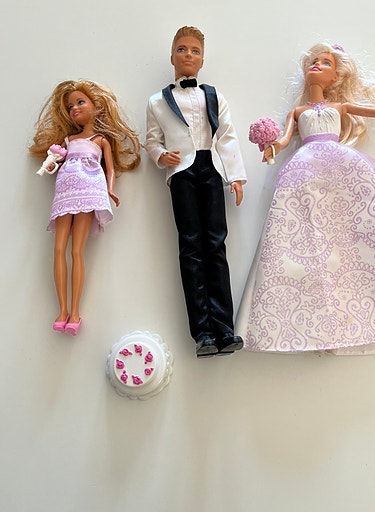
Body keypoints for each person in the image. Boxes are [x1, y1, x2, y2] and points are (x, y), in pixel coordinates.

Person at [235, 43, 375, 354]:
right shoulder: (297, 112)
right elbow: (284, 140)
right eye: (313, 61)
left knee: (355, 223)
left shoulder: (339, 107)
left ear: (336, 76)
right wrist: (271, 146)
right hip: (304, 169)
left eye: (325, 63)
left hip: (341, 166)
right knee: (304, 234)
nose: (316, 65)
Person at [144, 26, 247, 358]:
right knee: (190, 246)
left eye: (195, 51)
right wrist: (162, 155)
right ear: (172, 56)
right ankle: (202, 333)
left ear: (202, 60)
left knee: (216, 244)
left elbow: (227, 136)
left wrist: (235, 176)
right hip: (182, 172)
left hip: (211, 168)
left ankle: (225, 329)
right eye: (182, 49)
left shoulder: (214, 96)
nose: (188, 55)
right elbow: (152, 140)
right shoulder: (157, 101)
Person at [30, 79, 140, 336]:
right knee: (59, 248)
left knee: (76, 250)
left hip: (88, 191)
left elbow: (109, 169)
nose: (74, 109)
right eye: (71, 106)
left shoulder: (101, 140)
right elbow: (56, 164)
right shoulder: (68, 140)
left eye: (80, 102)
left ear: (97, 107)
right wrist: (51, 163)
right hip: (64, 192)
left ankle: (75, 313)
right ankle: (62, 311)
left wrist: (110, 190)